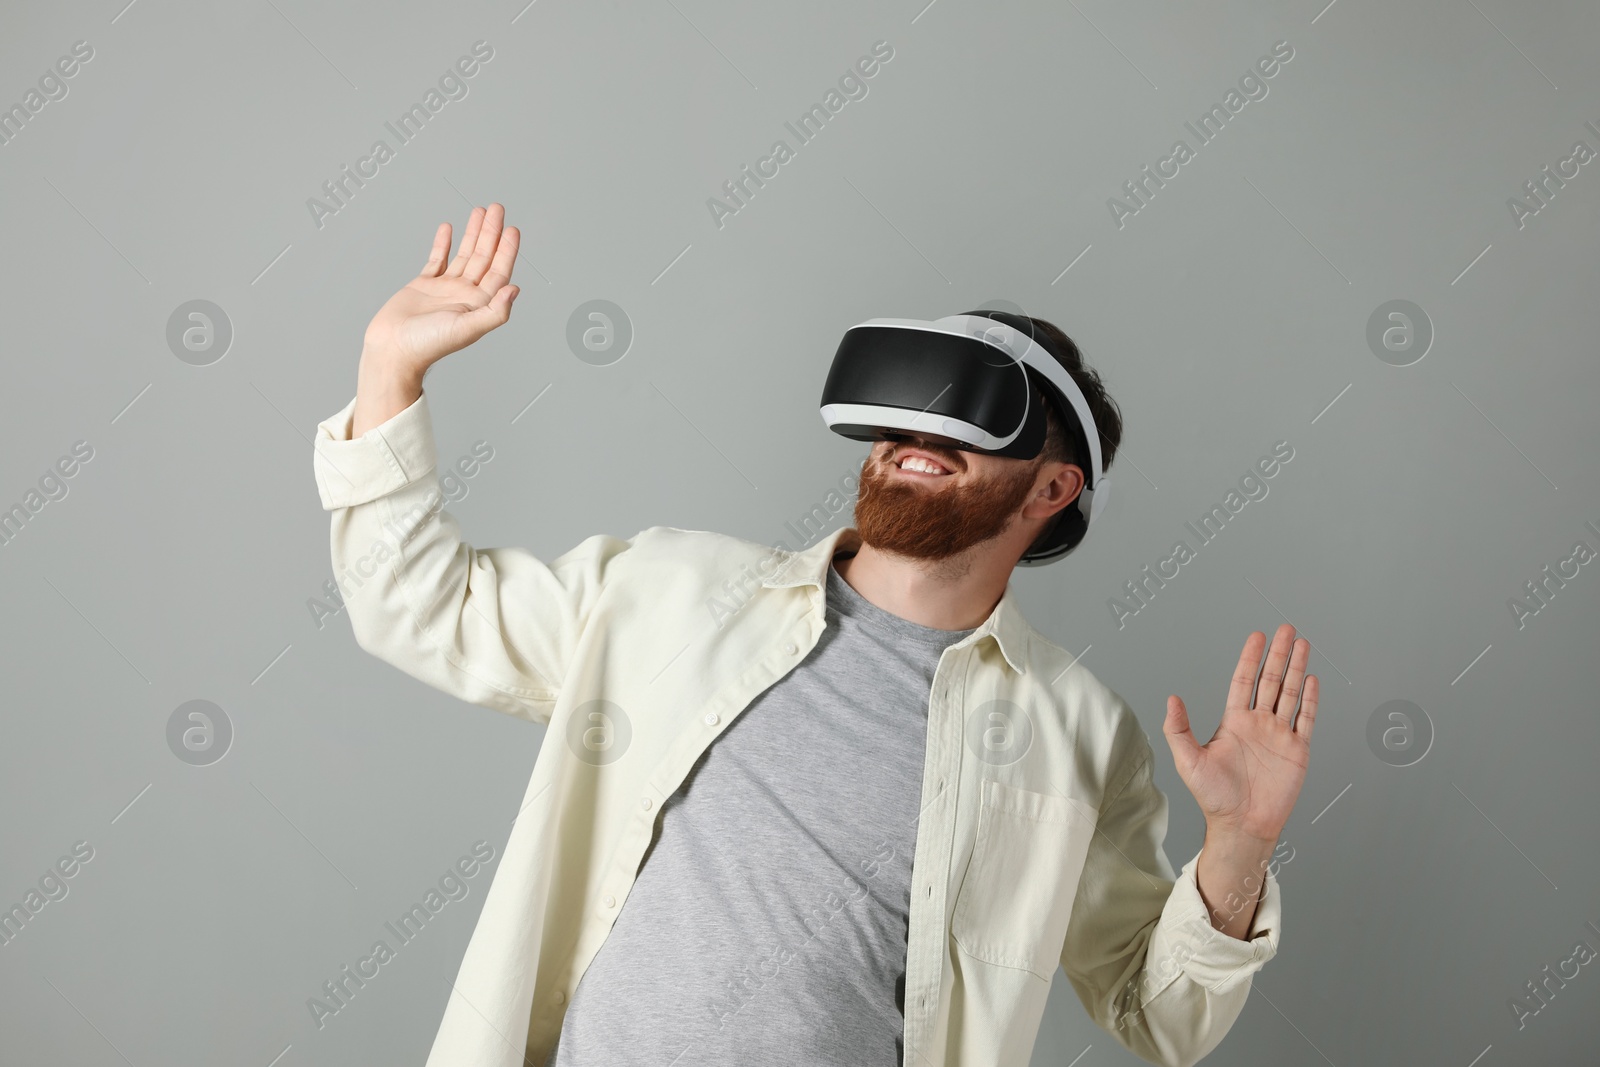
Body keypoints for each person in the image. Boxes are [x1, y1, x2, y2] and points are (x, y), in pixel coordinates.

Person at [311, 203, 1319, 1067]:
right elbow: (414, 602)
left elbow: (1159, 1012)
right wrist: (387, 370)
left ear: (1053, 489)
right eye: (908, 405)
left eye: (971, 422)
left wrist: (1239, 846)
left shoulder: (1078, 736)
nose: (921, 435)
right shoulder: (669, 588)